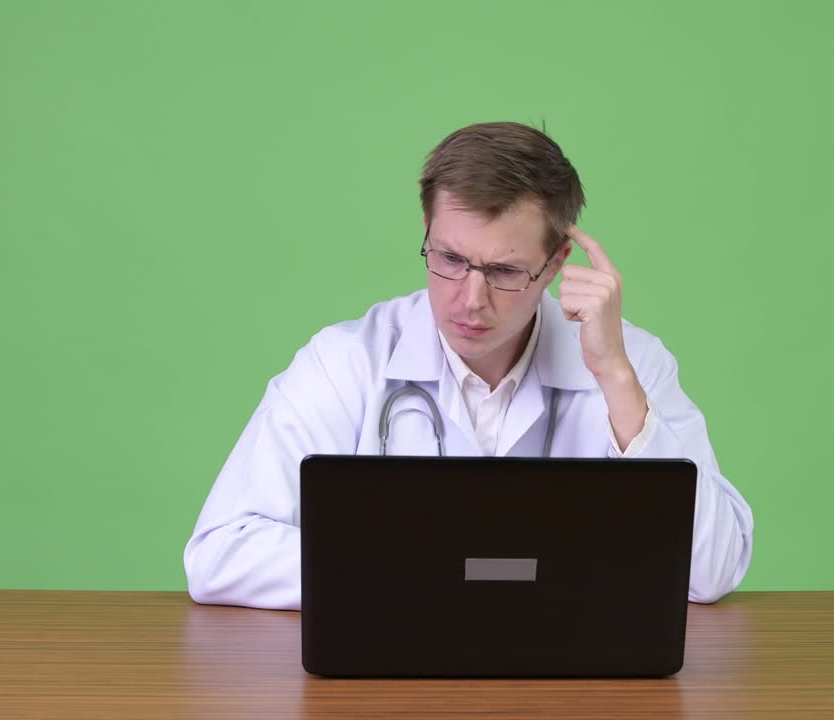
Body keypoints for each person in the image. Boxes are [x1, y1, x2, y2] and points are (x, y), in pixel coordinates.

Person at [184, 121, 753, 609]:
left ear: (556, 263)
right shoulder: (346, 362)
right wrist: (429, 567)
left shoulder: (629, 362)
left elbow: (712, 570)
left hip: (567, 680)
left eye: (505, 271)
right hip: (389, 679)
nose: (470, 300)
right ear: (426, 235)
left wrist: (616, 379)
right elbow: (220, 553)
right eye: (450, 259)